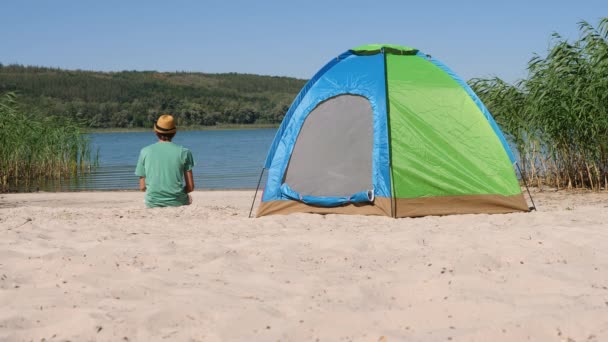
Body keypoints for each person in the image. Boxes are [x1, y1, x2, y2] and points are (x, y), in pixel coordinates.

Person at [135, 114, 195, 207]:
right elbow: (190, 187)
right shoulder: (184, 152)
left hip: (153, 202)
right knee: (189, 197)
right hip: (177, 201)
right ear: (174, 133)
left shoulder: (145, 151)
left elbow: (142, 187)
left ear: (156, 131)